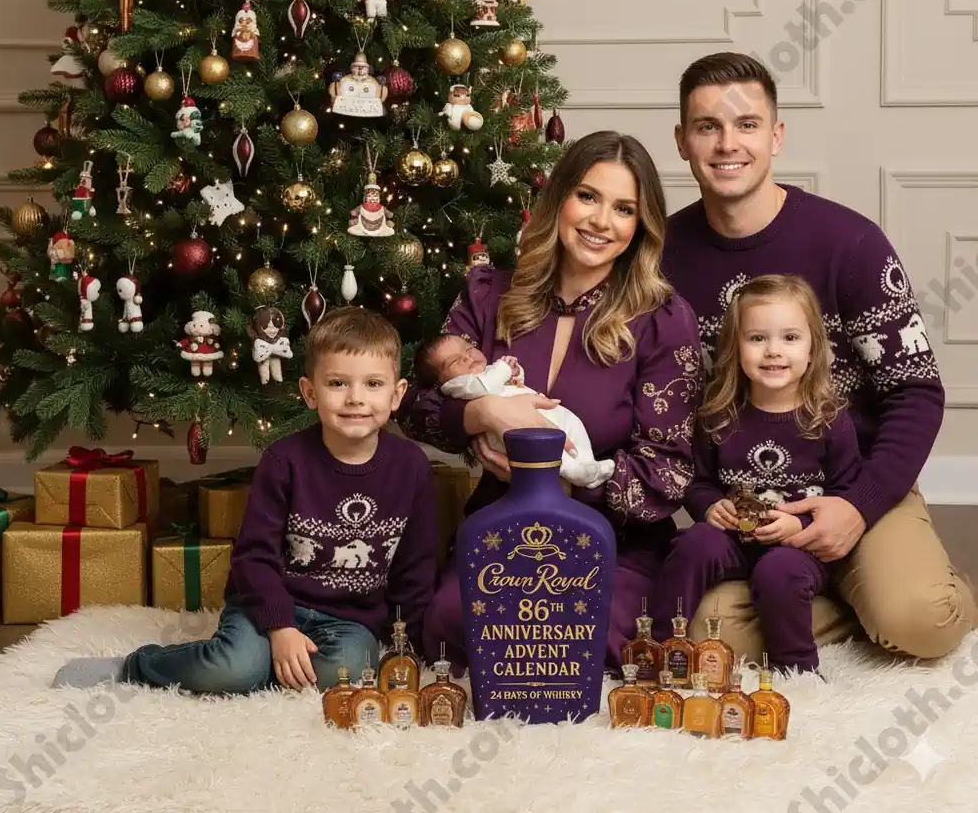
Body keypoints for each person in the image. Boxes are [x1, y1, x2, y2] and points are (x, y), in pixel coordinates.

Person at [662, 50, 976, 661]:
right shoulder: (662, 255)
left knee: (921, 621)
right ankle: (833, 601)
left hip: (852, 483)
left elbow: (915, 390)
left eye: (747, 124)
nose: (728, 144)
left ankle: (898, 586)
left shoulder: (849, 243)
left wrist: (859, 506)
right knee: (703, 637)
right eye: (707, 127)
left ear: (776, 135)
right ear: (682, 141)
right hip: (749, 504)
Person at [398, 130, 704, 673]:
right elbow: (413, 404)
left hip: (612, 539)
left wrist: (559, 482)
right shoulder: (489, 293)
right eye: (587, 196)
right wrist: (481, 412)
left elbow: (669, 469)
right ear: (559, 198)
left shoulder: (663, 319)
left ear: (641, 225)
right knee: (450, 625)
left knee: (576, 634)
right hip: (502, 527)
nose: (601, 221)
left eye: (624, 209)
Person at [52, 307, 439, 693]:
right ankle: (136, 667)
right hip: (266, 602)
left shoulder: (411, 467)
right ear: (310, 392)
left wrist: (413, 644)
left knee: (348, 672)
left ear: (396, 395)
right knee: (232, 669)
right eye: (337, 383)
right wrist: (280, 626)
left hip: (348, 619)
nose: (355, 398)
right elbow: (254, 556)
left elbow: (415, 567)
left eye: (373, 384)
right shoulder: (285, 461)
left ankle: (264, 667)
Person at [650, 275, 861, 673]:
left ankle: (795, 669)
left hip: (799, 547)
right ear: (736, 347)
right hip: (734, 538)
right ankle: (661, 649)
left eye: (790, 338)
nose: (773, 351)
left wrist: (800, 525)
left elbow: (845, 495)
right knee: (694, 543)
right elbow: (697, 481)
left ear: (813, 348)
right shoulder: (718, 415)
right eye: (757, 338)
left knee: (778, 571)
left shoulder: (829, 419)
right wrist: (709, 506)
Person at [413, 336, 614, 488]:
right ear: (441, 380)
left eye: (468, 348)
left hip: (544, 413)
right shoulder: (458, 385)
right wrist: (503, 369)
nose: (467, 356)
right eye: (454, 361)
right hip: (510, 432)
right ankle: (573, 471)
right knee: (543, 448)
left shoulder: (489, 370)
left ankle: (588, 464)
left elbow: (513, 384)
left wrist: (516, 374)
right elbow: (486, 387)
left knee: (573, 423)